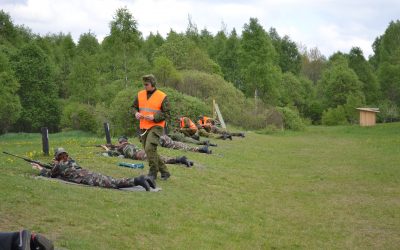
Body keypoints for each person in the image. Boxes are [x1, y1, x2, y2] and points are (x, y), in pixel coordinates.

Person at [31, 148, 156, 191]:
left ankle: (138, 180)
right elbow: (59, 168)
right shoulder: (71, 161)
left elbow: (50, 174)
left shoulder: (58, 166)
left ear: (56, 157)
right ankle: (145, 178)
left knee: (114, 184)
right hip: (89, 173)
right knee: (113, 180)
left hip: (87, 178)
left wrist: (39, 168)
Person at [132, 74, 171, 180]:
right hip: (144, 126)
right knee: (149, 150)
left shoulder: (162, 96)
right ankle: (165, 172)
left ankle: (152, 173)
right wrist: (135, 113)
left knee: (149, 148)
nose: (145, 86)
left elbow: (167, 114)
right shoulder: (140, 94)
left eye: (147, 84)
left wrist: (154, 117)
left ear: (152, 84)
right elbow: (133, 107)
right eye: (144, 84)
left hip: (156, 126)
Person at [101, 136, 193, 167]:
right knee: (161, 159)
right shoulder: (128, 145)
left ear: (121, 142)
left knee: (162, 160)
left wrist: (106, 147)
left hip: (141, 155)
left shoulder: (123, 147)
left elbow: (111, 152)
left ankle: (180, 159)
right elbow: (115, 151)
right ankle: (180, 160)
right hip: (142, 153)